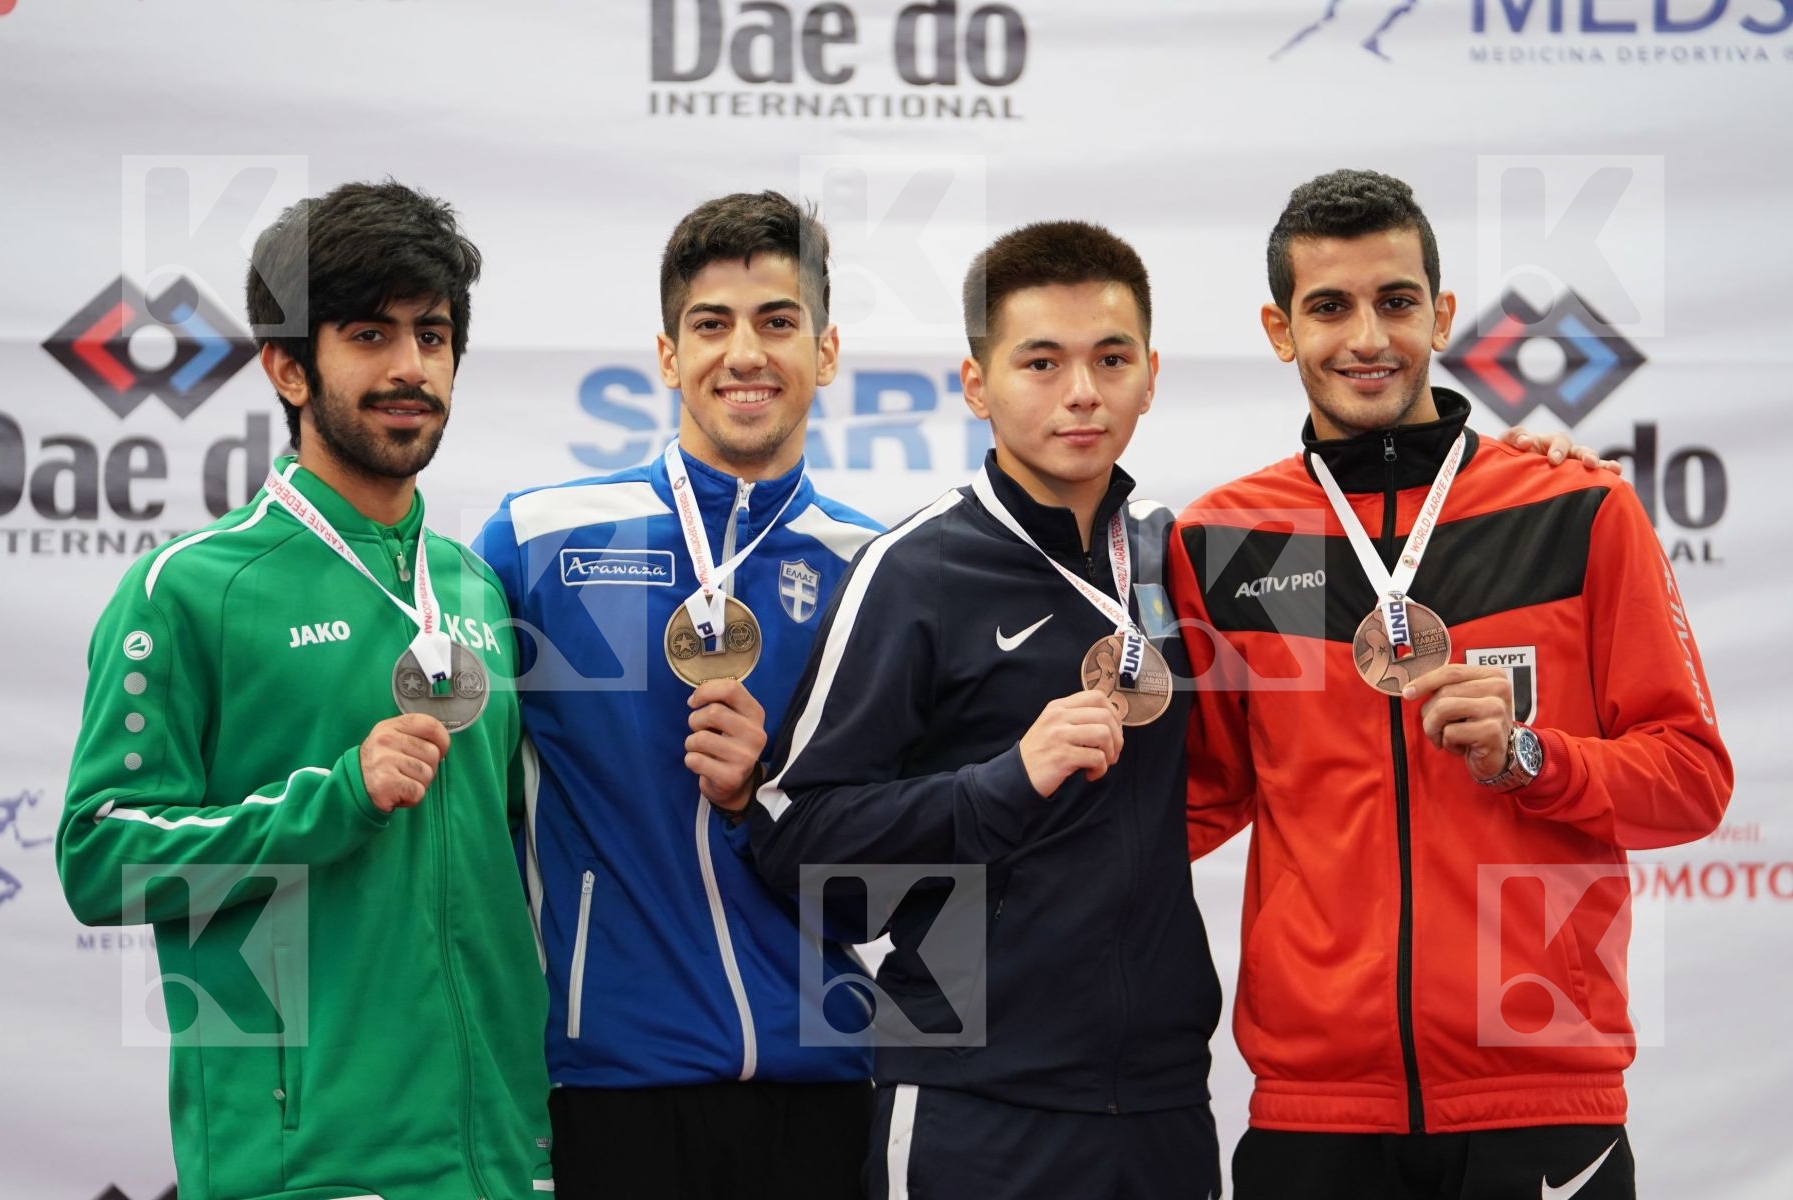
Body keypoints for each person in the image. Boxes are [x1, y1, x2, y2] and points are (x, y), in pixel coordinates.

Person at [1169, 168, 1732, 1200]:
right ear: (1279, 329)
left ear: (1442, 312)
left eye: (1395, 301)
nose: (1367, 337)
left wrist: (1533, 757)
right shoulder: (1223, 542)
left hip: (1541, 1094)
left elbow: (1692, 781)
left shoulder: (1576, 511)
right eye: (1328, 307)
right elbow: (1196, 801)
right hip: (1314, 1108)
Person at [56, 181, 553, 1200]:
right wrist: (332, 801)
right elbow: (100, 860)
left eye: (434, 334)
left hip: (495, 1162)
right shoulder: (190, 589)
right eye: (370, 334)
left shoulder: (472, 585)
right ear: (288, 366)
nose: (411, 367)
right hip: (303, 1170)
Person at [748, 221, 1226, 1200]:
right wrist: (1003, 784)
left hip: (1164, 1106)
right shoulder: (915, 569)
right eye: (1042, 362)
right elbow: (796, 835)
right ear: (977, 385)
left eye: (1110, 358)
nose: (1082, 392)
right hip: (975, 1100)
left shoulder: (1177, 559)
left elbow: (1349, 580)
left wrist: (1516, 464)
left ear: (1151, 373)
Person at [475, 191, 880, 1200]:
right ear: (667, 356)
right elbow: (467, 812)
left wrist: (769, 799)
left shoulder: (877, 567)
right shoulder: (539, 542)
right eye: (713, 324)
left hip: (827, 1082)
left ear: (826, 353)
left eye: (778, 322)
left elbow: (916, 848)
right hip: (609, 1080)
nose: (745, 353)